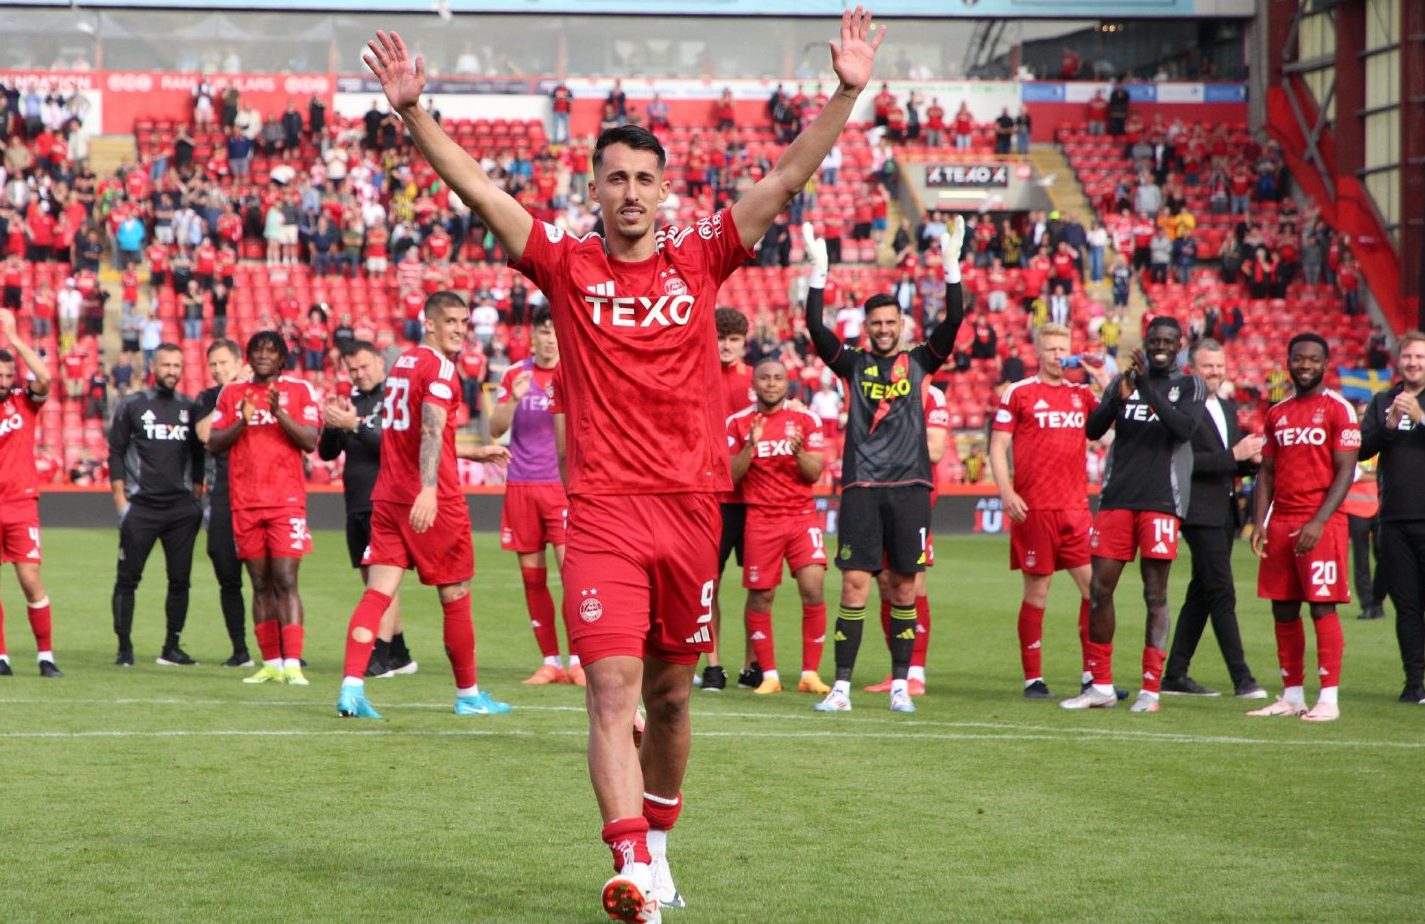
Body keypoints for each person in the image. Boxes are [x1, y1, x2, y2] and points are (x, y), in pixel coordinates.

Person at [362, 11, 883, 920]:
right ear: (594, 188)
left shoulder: (702, 257)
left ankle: (662, 846)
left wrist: (844, 91)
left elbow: (787, 176)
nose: (631, 191)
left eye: (645, 178)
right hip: (599, 511)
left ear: (663, 189)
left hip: (690, 510)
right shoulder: (564, 265)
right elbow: (484, 195)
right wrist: (415, 115)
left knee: (672, 699)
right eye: (616, 178)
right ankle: (630, 866)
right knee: (608, 688)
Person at [802, 212, 964, 715]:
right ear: (867, 328)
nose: (885, 329)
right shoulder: (852, 363)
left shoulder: (919, 361)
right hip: (861, 487)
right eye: (876, 324)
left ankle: (899, 685)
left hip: (911, 487)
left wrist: (952, 269)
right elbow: (813, 326)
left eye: (891, 323)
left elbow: (954, 322)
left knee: (903, 586)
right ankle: (842, 687)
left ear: (902, 326)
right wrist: (818, 272)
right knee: (853, 583)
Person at [336, 292, 513, 720]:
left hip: (389, 496)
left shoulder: (404, 362)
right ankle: (468, 694)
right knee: (455, 595)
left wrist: (471, 454)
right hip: (432, 500)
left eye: (463, 322)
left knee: (377, 592)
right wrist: (431, 489)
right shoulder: (440, 370)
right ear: (428, 323)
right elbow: (431, 433)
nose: (458, 329)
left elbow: (413, 434)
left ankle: (352, 688)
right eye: (450, 320)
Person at [1061, 317, 1205, 713]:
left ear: (1179, 346)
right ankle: (1101, 686)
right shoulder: (1125, 382)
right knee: (1099, 591)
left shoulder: (1190, 385)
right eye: (1155, 339)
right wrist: (1116, 397)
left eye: (1168, 341)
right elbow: (1092, 430)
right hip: (1117, 499)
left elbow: (1184, 429)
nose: (1160, 346)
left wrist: (1145, 390)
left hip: (1162, 501)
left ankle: (1150, 690)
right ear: (1146, 342)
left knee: (1155, 593)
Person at [989, 324, 1107, 698]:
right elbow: (997, 446)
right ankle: (1033, 678)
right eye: (1052, 349)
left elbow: (1108, 426)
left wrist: (1102, 379)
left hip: (1076, 509)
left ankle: (1093, 675)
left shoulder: (1082, 395)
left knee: (1095, 590)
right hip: (1035, 509)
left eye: (1063, 349)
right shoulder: (1019, 393)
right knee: (1038, 593)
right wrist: (1006, 491)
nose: (1059, 356)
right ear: (1038, 353)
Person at [1248, 333, 1358, 721]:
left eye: (1313, 359)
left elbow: (1346, 472)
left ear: (1325, 364)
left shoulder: (1340, 410)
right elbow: (1266, 472)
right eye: (1298, 359)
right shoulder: (1277, 413)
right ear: (1288, 362)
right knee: (1283, 607)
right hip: (1281, 522)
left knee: (1322, 606)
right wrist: (1259, 521)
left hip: (1321, 523)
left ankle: (1328, 698)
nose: (1305, 365)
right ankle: (1292, 695)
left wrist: (1319, 520)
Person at [206, 332, 320, 686]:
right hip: (245, 501)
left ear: (283, 358)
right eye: (257, 351)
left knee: (285, 579)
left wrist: (278, 413)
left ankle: (293, 664)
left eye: (271, 351)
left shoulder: (300, 391)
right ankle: (271, 662)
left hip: (286, 502)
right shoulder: (232, 393)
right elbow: (213, 443)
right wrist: (242, 420)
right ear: (248, 358)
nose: (263, 356)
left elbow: (310, 440)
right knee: (259, 583)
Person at [1160, 340, 1267, 699]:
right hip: (1196, 511)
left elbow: (1226, 461)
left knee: (1202, 592)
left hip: (1224, 511)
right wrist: (1233, 454)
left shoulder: (1227, 406)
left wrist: (1247, 461)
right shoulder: (1181, 406)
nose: (1215, 372)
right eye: (1208, 366)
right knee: (1221, 590)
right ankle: (1242, 678)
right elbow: (1181, 464)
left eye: (1219, 366)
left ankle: (1175, 674)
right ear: (1192, 367)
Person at [726, 357, 830, 696]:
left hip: (801, 517)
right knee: (761, 597)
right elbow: (731, 477)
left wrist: (798, 452)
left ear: (787, 384)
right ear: (754, 385)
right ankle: (769, 674)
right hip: (760, 519)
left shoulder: (805, 419)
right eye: (765, 378)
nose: (771, 383)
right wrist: (750, 445)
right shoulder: (738, 423)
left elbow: (814, 473)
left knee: (813, 588)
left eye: (777, 378)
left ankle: (809, 674)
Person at [489, 307, 580, 686]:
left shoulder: (576, 370)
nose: (550, 339)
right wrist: (513, 398)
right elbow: (495, 428)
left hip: (560, 488)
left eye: (556, 331)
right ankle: (550, 661)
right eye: (544, 331)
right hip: (522, 487)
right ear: (534, 336)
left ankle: (578, 660)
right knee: (532, 579)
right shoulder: (515, 374)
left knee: (572, 575)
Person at [317, 341, 417, 679]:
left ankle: (380, 655)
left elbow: (394, 447)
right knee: (370, 581)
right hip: (355, 503)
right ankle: (401, 655)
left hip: (384, 502)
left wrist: (355, 425)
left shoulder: (394, 401)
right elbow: (328, 454)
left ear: (379, 363)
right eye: (353, 370)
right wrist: (332, 425)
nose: (359, 375)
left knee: (381, 585)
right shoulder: (355, 403)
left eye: (364, 367)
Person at [108, 343, 206, 667]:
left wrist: (196, 499)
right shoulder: (133, 405)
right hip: (142, 508)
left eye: (178, 366)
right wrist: (121, 500)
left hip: (180, 511)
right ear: (153, 366)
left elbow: (199, 455)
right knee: (128, 579)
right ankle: (124, 648)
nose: (172, 371)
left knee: (180, 580)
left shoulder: (191, 408)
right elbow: (116, 452)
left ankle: (172, 647)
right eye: (166, 365)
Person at [1359, 331, 1425, 703]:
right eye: (1408, 357)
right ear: (1398, 361)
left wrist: (1421, 417)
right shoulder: (1384, 400)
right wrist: (1388, 425)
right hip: (1395, 519)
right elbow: (1362, 447)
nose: (1413, 363)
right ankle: (1413, 683)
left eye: (1420, 357)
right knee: (1407, 605)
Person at [0, 309, 60, 678]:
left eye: (8, 374)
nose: (4, 379)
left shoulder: (25, 401)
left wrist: (14, 337)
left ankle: (45, 655)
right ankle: (1, 656)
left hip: (21, 504)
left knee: (30, 579)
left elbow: (46, 377)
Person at [701, 307, 755, 692]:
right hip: (712, 495)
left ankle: (754, 663)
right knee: (710, 584)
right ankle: (713, 663)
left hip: (754, 497)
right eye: (721, 338)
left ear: (744, 342)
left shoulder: (758, 380)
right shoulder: (697, 375)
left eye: (733, 339)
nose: (726, 346)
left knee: (759, 586)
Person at [194, 340, 252, 667]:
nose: (218, 369)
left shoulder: (258, 391)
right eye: (213, 364)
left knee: (270, 577)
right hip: (221, 496)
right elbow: (204, 434)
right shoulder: (206, 398)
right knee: (227, 575)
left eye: (224, 363)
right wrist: (228, 391)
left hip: (256, 494)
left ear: (238, 361)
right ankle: (240, 649)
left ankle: (286, 652)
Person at [1340, 457, 1386, 621]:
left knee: (1385, 557)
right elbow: (1353, 474)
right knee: (1361, 560)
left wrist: (1368, 473)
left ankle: (1377, 601)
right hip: (1355, 508)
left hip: (1380, 507)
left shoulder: (1379, 443)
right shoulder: (1356, 444)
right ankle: (1368, 605)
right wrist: (1377, 474)